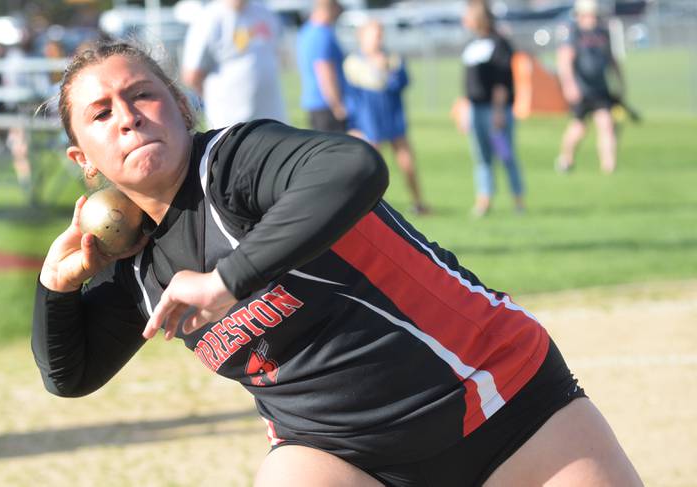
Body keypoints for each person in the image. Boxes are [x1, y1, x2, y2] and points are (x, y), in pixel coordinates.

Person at [32, 40, 643, 486]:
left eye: (142, 94)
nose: (129, 116)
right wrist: (55, 289)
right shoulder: (133, 257)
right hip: (341, 458)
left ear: (182, 109)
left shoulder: (236, 163)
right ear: (83, 157)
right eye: (101, 112)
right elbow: (73, 375)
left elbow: (355, 168)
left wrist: (228, 280)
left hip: (499, 404)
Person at [344, 19, 430, 216]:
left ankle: (418, 202)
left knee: (407, 161)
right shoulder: (353, 63)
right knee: (373, 165)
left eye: (381, 34)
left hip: (392, 116)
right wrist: (353, 124)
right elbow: (351, 96)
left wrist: (388, 71)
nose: (379, 39)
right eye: (375, 34)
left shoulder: (392, 59)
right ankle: (371, 207)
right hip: (369, 119)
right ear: (363, 37)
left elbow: (402, 82)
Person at [461, 0, 525, 217]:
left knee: (504, 155)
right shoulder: (472, 43)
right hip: (476, 110)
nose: (464, 19)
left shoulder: (499, 43)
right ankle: (484, 200)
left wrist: (498, 112)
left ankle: (518, 200)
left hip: (494, 111)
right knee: (482, 157)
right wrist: (464, 109)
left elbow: (502, 81)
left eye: (468, 15)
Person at [181, 0, 287, 129]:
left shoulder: (264, 12)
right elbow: (192, 75)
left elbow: (276, 52)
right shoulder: (209, 18)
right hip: (231, 120)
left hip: (272, 115)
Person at [556, 0, 623, 174]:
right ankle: (566, 158)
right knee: (579, 128)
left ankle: (609, 167)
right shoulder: (574, 33)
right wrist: (569, 85)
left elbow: (611, 59)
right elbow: (565, 61)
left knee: (606, 123)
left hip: (600, 88)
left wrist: (620, 81)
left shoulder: (602, 33)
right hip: (582, 89)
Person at [296, 0, 347, 133]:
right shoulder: (323, 34)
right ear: (331, 8)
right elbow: (325, 71)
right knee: (336, 150)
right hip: (326, 105)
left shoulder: (305, 30)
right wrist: (337, 106)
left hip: (314, 103)